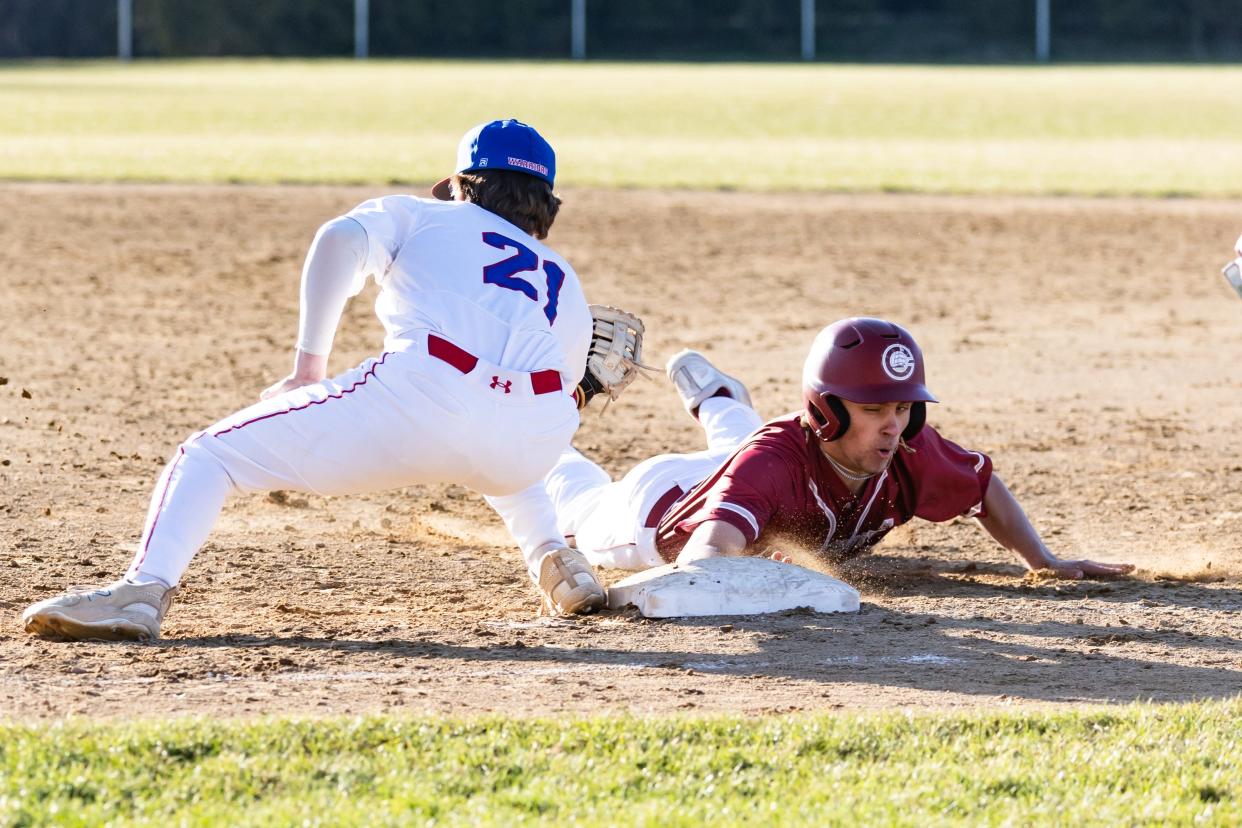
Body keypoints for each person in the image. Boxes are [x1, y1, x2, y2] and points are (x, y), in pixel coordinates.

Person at [23, 118, 614, 641]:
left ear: (462, 185)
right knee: (499, 431)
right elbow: (556, 388)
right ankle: (558, 561)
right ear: (545, 206)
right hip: (534, 442)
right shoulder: (567, 280)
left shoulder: (422, 213)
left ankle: (142, 590)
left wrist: (309, 367)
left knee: (207, 456)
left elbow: (336, 238)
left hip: (421, 401)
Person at [545, 317, 1136, 581]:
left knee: (741, 450)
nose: (893, 425)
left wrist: (1043, 560)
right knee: (575, 497)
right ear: (826, 411)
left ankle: (719, 397)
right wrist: (760, 577)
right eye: (874, 408)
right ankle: (537, 438)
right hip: (652, 514)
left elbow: (983, 489)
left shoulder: (906, 447)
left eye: (903, 408)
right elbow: (703, 562)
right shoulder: (774, 463)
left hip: (738, 472)